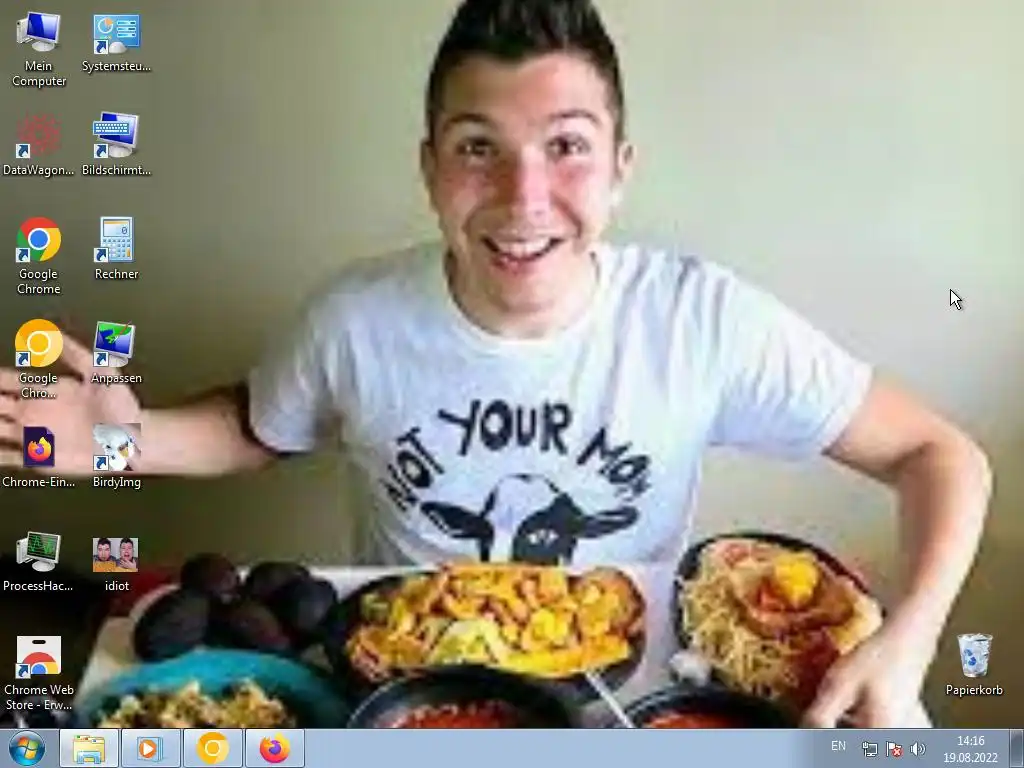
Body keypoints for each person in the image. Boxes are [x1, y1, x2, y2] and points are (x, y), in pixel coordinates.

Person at [0, 0, 991, 728]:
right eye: (479, 148)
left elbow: (941, 456)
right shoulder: (354, 319)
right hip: (405, 692)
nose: (524, 196)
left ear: (619, 170)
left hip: (629, 701)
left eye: (567, 147)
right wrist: (127, 439)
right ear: (431, 168)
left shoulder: (700, 319)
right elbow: (257, 427)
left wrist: (908, 637)